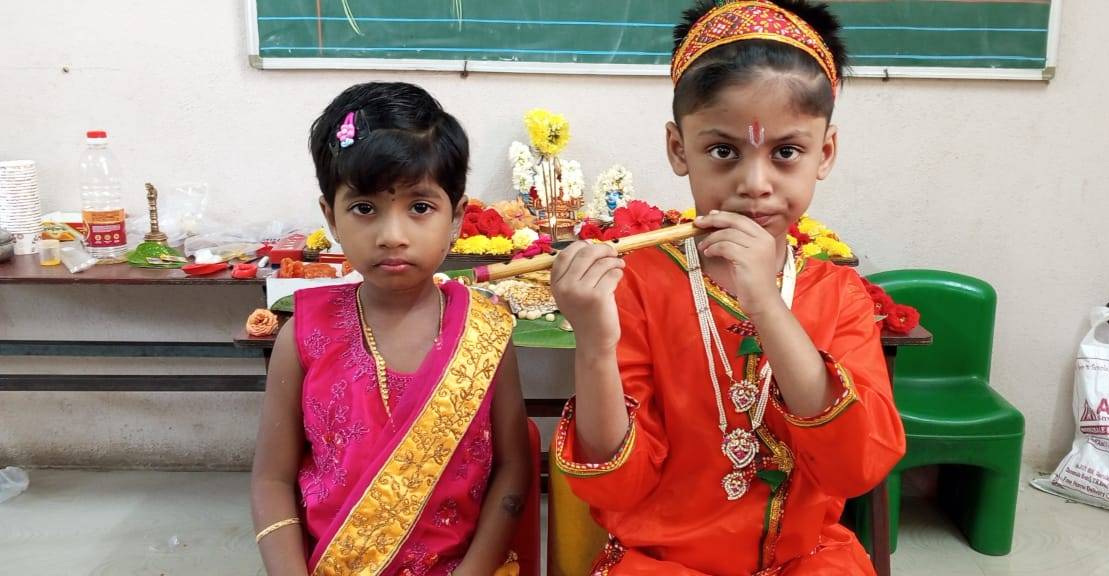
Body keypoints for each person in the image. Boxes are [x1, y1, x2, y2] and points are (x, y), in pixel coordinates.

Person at [550, 2, 905, 573]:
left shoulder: (839, 295)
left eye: (785, 152)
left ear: (825, 154)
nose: (755, 184)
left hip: (805, 559)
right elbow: (616, 486)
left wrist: (764, 301)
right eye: (723, 151)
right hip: (663, 563)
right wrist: (593, 343)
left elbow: (855, 469)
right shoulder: (636, 284)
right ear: (678, 149)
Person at [250, 82, 530, 576]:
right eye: (364, 208)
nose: (392, 236)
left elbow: (512, 468)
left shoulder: (485, 331)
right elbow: (271, 480)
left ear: (456, 217)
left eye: (420, 207)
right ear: (331, 217)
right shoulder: (303, 335)